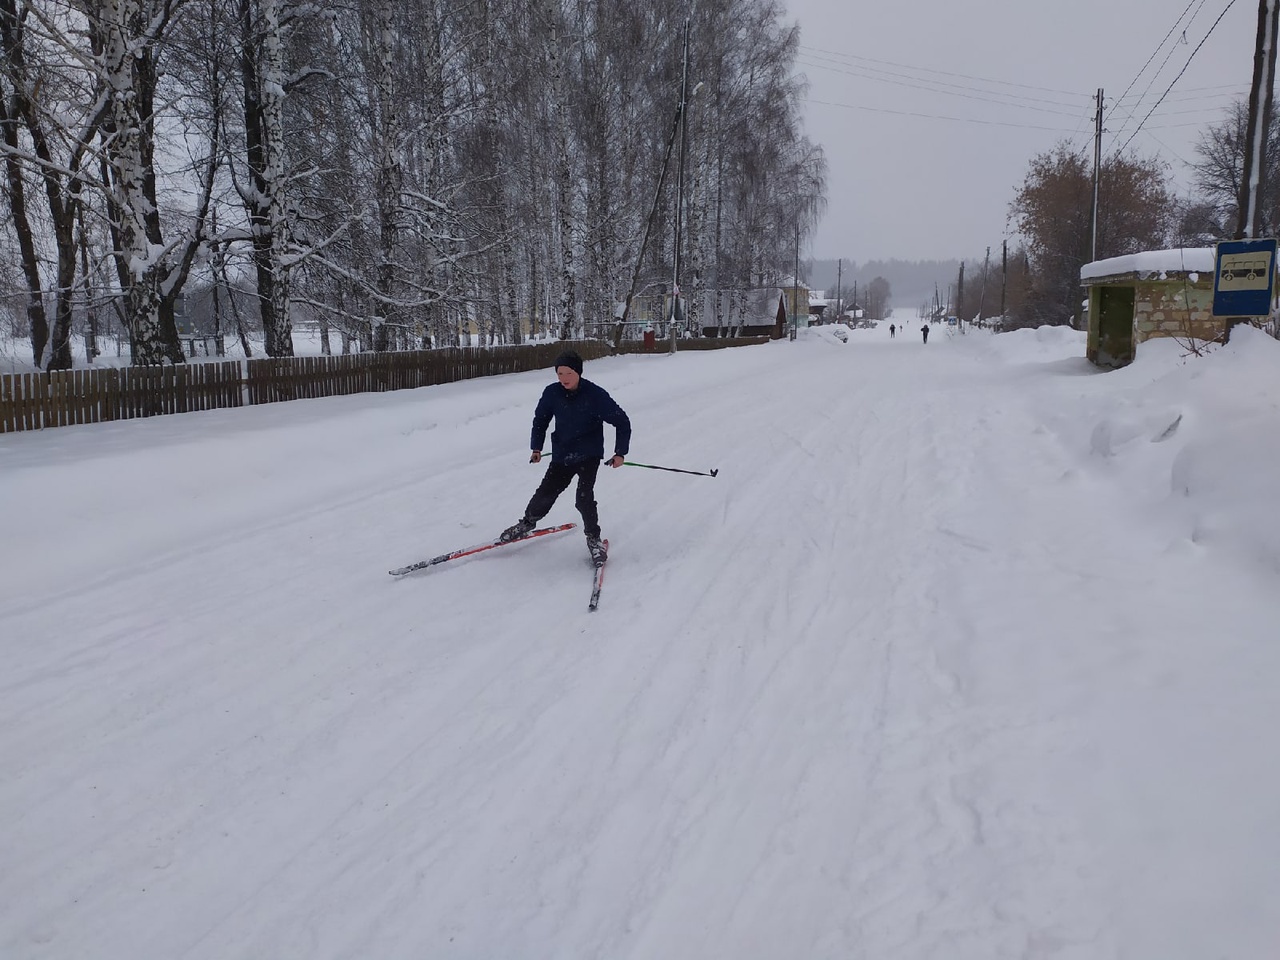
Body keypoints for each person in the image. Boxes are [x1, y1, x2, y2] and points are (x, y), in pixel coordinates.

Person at [499, 350, 631, 566]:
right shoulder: (552, 393)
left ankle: (594, 539)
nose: (564, 378)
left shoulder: (595, 395)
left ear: (578, 372)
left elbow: (622, 421)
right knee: (545, 493)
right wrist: (536, 447)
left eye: (568, 373)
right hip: (562, 453)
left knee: (583, 498)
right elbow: (540, 420)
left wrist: (620, 453)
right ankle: (527, 523)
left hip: (589, 454)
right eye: (559, 373)